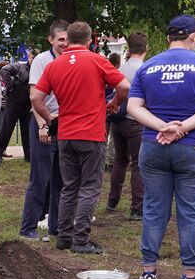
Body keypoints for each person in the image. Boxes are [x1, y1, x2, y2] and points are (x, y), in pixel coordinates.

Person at [127, 15, 195, 279]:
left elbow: (133, 107)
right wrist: (182, 128)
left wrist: (162, 127)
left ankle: (148, 273)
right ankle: (190, 277)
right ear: (193, 36)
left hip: (154, 145)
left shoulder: (148, 67)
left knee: (153, 208)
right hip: (194, 147)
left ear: (168, 38)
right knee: (191, 212)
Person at [32, 20, 128, 254]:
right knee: (89, 187)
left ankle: (64, 236)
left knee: (69, 187)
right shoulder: (97, 60)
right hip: (91, 134)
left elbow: (35, 97)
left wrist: (49, 119)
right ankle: (81, 239)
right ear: (89, 40)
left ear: (68, 39)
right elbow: (124, 86)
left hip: (65, 134)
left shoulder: (54, 65)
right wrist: (114, 103)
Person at [19, 21, 69, 241]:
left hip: (64, 124)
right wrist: (42, 125)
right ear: (51, 40)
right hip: (44, 122)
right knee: (40, 179)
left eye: (68, 39)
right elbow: (34, 96)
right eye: (61, 40)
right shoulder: (42, 60)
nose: (65, 43)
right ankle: (28, 227)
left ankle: (55, 226)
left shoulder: (71, 59)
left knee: (61, 180)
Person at [107, 31, 147, 219]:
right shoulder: (144, 69)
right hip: (135, 121)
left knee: (120, 160)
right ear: (146, 48)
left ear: (128, 49)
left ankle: (112, 200)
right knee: (138, 163)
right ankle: (137, 207)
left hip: (118, 120)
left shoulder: (120, 69)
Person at [0, 55, 33, 162]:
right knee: (6, 128)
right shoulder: (19, 67)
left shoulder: (37, 70)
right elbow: (4, 70)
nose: (34, 60)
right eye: (33, 58)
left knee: (27, 130)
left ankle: (28, 156)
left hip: (27, 104)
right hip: (14, 102)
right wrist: (10, 86)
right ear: (29, 58)